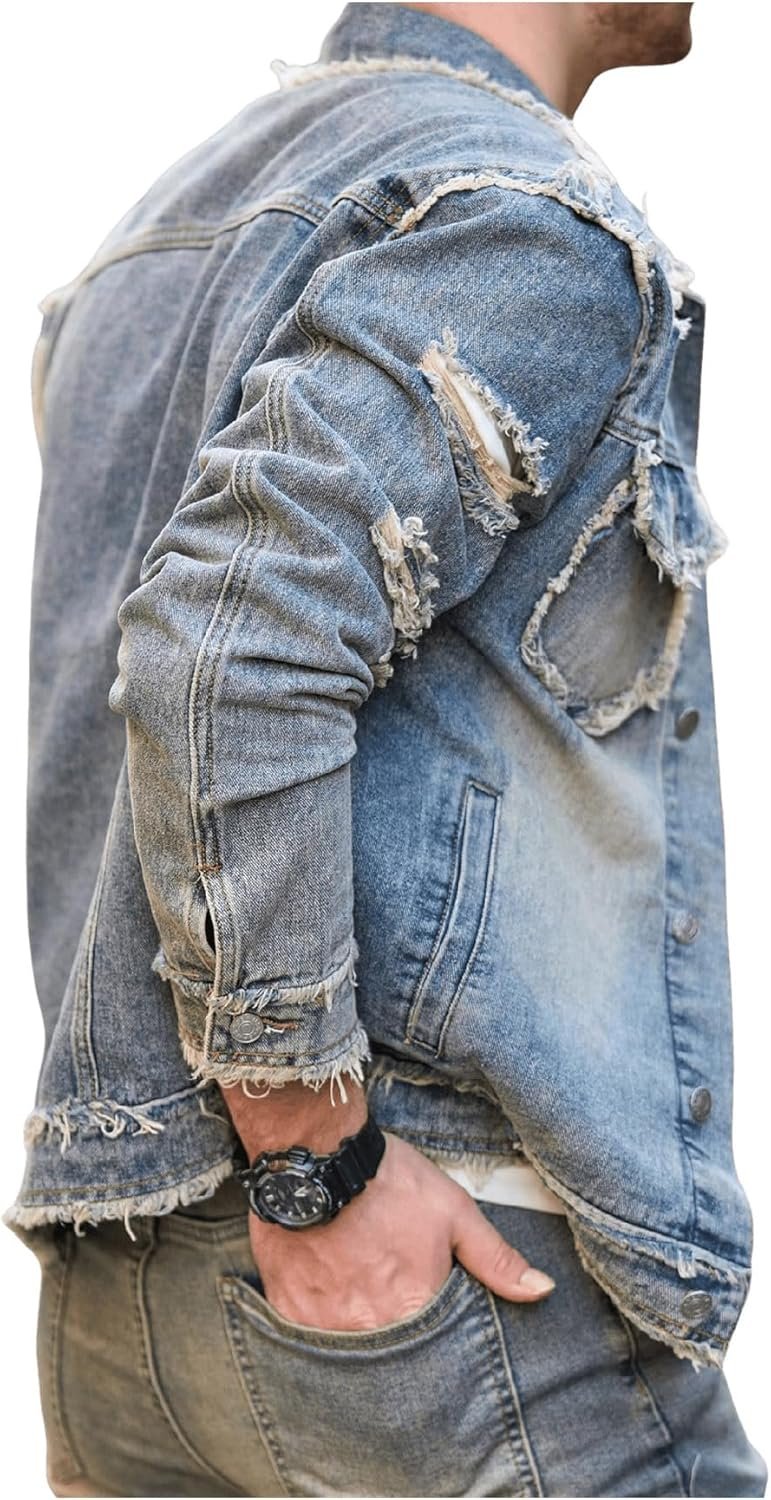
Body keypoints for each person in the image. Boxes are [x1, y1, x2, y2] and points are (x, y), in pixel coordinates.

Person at [5, 2, 767, 1495]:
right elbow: (231, 641)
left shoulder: (154, 229)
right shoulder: (518, 212)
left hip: (127, 1300)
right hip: (412, 1288)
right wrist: (316, 1158)